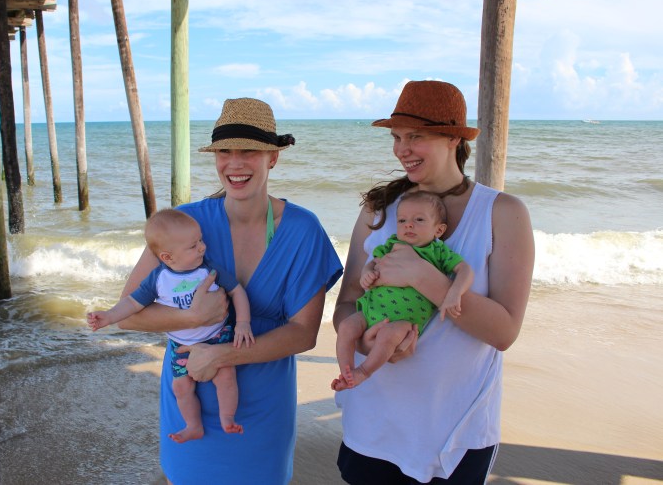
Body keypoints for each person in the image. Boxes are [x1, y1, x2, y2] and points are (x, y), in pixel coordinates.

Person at [115, 97, 343, 485]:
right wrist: (192, 316)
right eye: (225, 151)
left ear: (273, 157)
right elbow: (128, 314)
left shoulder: (303, 229)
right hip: (190, 402)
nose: (234, 164)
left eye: (249, 151)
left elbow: (304, 333)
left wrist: (221, 355)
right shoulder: (185, 223)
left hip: (264, 408)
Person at [333, 80, 534, 484]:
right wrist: (366, 342)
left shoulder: (502, 212)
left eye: (415, 137)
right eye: (396, 137)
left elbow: (504, 332)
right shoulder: (379, 209)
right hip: (372, 424)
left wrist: (424, 277)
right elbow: (347, 304)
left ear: (453, 138)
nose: (401, 149)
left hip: (454, 434)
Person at [86, 208, 254, 443]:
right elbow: (132, 303)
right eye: (193, 246)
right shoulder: (158, 279)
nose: (202, 248)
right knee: (181, 388)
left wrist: (243, 323)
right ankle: (193, 426)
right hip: (181, 344)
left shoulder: (208, 269)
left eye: (200, 241)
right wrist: (109, 316)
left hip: (216, 336)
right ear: (167, 257)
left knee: (226, 377)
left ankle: (227, 418)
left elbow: (237, 291)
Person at [331, 190, 473, 391]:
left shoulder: (438, 252)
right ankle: (346, 371)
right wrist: (367, 273)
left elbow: (465, 270)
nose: (409, 225)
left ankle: (363, 372)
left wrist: (455, 292)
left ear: (439, 230)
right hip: (371, 310)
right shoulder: (392, 244)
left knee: (388, 337)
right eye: (402, 220)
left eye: (419, 220)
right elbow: (373, 263)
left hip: (403, 321)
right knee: (346, 327)